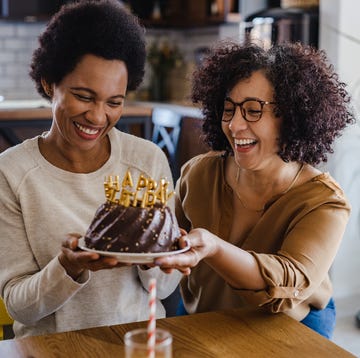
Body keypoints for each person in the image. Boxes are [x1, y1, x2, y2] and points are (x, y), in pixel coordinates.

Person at [0, 0, 181, 338]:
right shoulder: (11, 173)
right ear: (49, 83)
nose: (98, 117)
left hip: (135, 344)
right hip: (50, 350)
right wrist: (68, 266)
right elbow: (17, 305)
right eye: (84, 96)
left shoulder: (147, 161)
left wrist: (148, 252)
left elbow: (166, 288)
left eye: (114, 102)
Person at [154, 41, 355, 339]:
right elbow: (166, 245)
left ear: (292, 116)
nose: (234, 125)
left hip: (292, 322)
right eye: (229, 109)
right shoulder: (199, 174)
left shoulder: (324, 201)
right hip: (206, 314)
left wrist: (215, 247)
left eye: (252, 110)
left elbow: (289, 287)